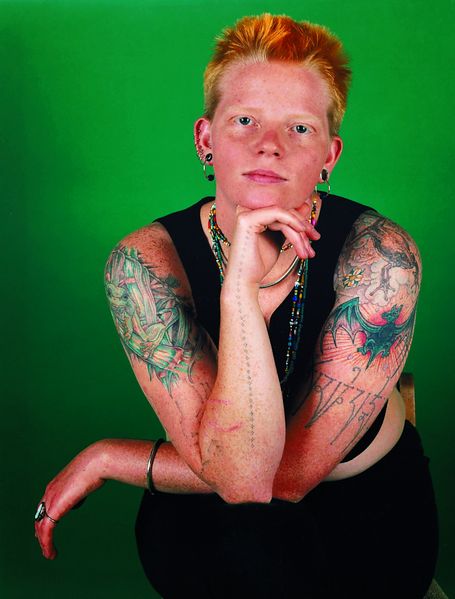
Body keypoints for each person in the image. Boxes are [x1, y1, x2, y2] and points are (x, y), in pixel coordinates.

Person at [35, 14, 438, 598]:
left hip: (366, 509)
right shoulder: (143, 265)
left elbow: (284, 479)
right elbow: (241, 481)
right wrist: (241, 296)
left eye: (300, 128)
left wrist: (111, 458)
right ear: (205, 138)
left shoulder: (382, 260)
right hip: (209, 513)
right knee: (242, 560)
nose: (268, 145)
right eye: (244, 119)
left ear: (330, 153)